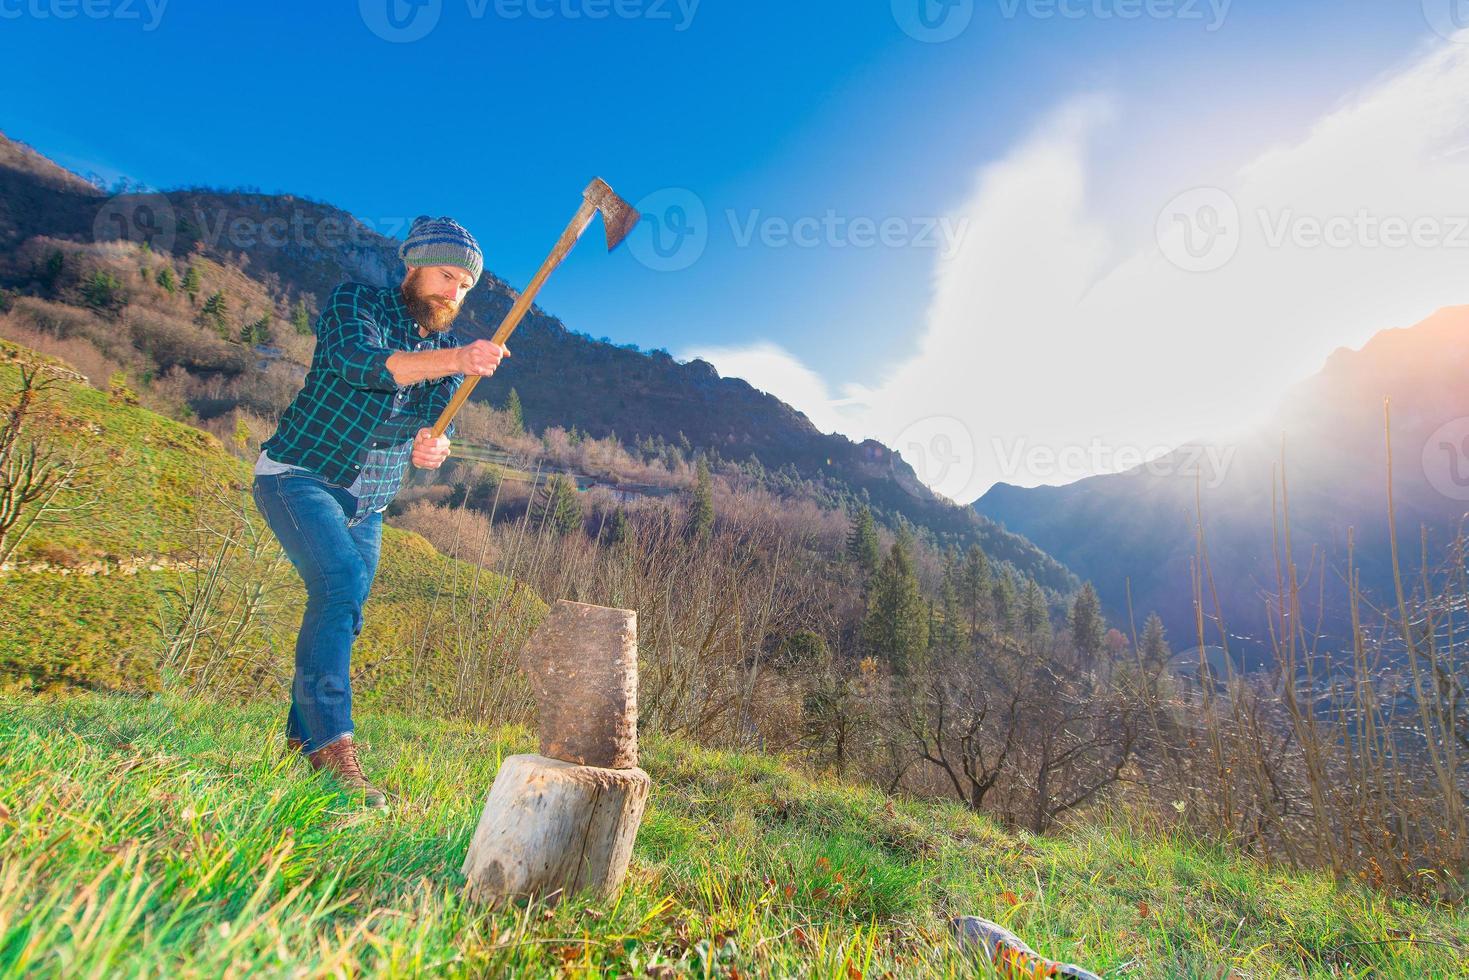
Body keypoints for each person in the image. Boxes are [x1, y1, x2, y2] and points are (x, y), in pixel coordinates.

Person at [252, 215, 508, 809]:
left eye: (465, 287)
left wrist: (433, 447)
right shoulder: (356, 303)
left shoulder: (446, 358)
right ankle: (334, 755)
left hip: (368, 503)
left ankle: (299, 745)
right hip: (298, 476)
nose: (454, 292)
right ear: (413, 264)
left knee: (345, 611)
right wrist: (456, 359)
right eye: (447, 276)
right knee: (339, 587)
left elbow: (429, 432)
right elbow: (360, 364)